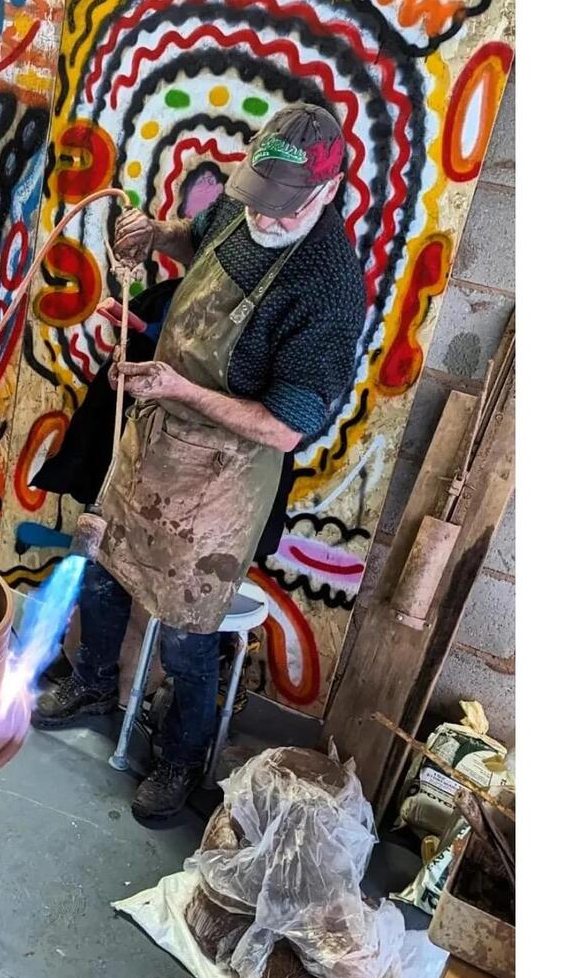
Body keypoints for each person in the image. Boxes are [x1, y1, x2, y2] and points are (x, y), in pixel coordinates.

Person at [31, 103, 366, 827]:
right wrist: (159, 235)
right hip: (156, 432)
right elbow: (199, 238)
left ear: (329, 191)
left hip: (223, 472)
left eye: (286, 210)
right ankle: (92, 681)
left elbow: (284, 428)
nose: (267, 221)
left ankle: (182, 756)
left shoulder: (329, 286)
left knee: (187, 626)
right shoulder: (246, 210)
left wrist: (178, 386)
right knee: (105, 561)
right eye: (260, 200)